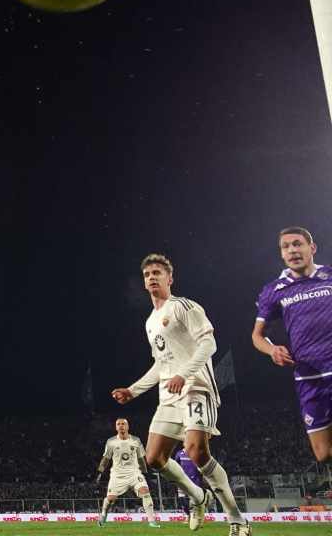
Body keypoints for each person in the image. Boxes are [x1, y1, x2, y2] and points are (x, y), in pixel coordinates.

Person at [111, 254, 249, 536]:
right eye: (147, 274)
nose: (152, 277)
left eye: (157, 272)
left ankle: (237, 520)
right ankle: (199, 497)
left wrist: (184, 374)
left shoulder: (184, 306)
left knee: (197, 451)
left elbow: (209, 344)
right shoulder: (150, 322)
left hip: (196, 387)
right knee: (153, 459)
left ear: (170, 278)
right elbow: (161, 364)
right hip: (169, 395)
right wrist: (133, 390)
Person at [252, 227, 332, 466]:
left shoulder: (329, 275)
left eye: (297, 244)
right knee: (323, 453)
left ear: (312, 248)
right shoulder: (274, 291)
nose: (292, 250)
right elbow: (257, 336)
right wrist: (272, 350)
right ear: (281, 254)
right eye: (286, 247)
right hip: (309, 377)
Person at [94, 418, 158, 528]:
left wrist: (145, 472)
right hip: (117, 475)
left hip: (134, 473)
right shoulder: (111, 441)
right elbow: (106, 458)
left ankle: (152, 521)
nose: (121, 426)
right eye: (118, 424)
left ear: (128, 426)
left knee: (145, 492)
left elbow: (141, 458)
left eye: (123, 424)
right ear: (116, 427)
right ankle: (104, 515)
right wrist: (99, 472)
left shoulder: (136, 440)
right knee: (111, 499)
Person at [174, 446, 210, 516]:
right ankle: (187, 513)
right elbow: (176, 466)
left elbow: (203, 465)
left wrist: (203, 475)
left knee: (196, 500)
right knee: (182, 499)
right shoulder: (179, 454)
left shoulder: (197, 453)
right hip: (182, 480)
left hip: (196, 480)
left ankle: (196, 515)